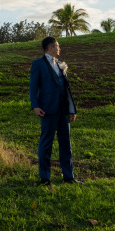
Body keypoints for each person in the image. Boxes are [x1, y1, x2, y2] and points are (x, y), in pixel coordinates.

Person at [29, 36, 79, 185]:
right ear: (50, 48)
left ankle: (68, 176)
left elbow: (66, 88)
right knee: (46, 144)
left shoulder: (61, 65)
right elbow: (33, 86)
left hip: (63, 110)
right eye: (57, 46)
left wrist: (71, 109)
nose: (59, 48)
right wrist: (35, 106)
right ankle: (45, 178)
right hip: (47, 110)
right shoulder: (38, 64)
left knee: (66, 144)